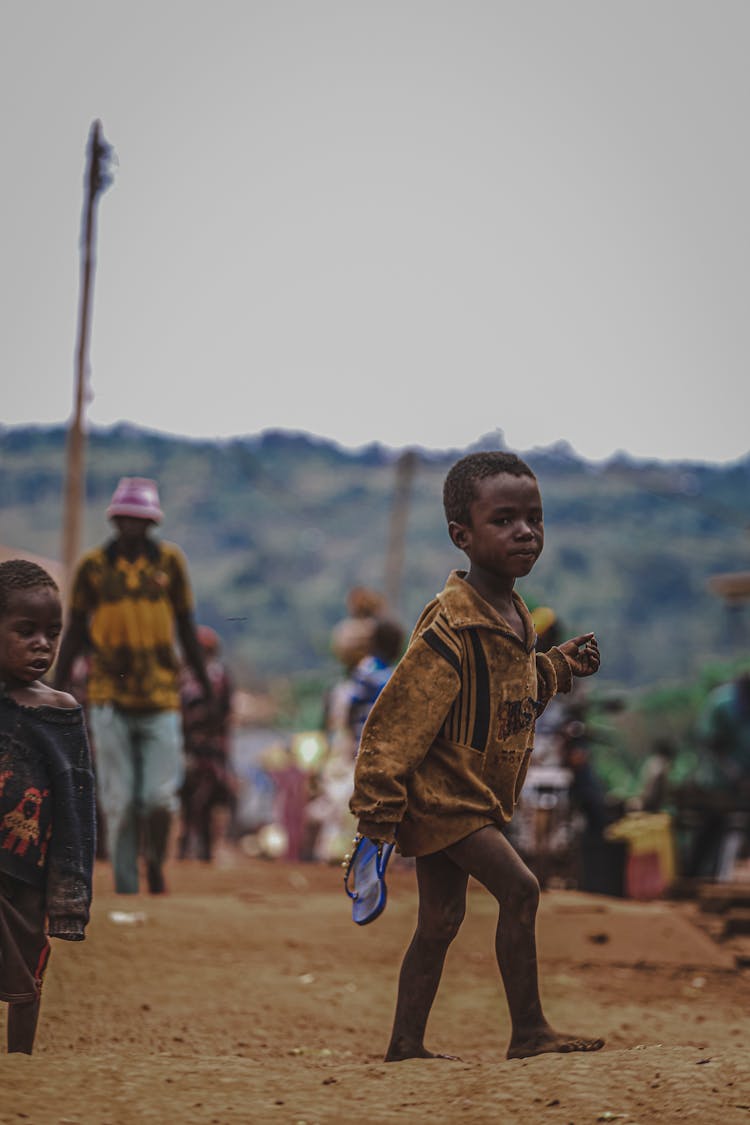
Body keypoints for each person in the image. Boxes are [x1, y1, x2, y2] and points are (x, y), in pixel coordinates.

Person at [350, 451, 604, 1061]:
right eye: (505, 520)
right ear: (462, 535)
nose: (525, 532)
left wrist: (560, 666)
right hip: (446, 799)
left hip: (474, 796)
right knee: (520, 890)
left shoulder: (514, 616)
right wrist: (375, 812)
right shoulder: (451, 626)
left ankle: (406, 1045)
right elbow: (398, 720)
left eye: (534, 519)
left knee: (439, 920)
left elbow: (512, 694)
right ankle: (529, 1033)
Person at [54, 477, 211, 895]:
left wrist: (205, 686)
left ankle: (156, 862)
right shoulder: (92, 567)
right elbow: (73, 631)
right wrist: (57, 686)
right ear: (115, 519)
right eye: (125, 519)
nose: (131, 527)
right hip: (108, 694)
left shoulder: (169, 563)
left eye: (140, 520)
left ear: (151, 523)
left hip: (162, 694)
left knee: (159, 799)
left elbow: (185, 626)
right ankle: (127, 886)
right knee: (119, 803)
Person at [0, 560, 95, 1053]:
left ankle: (21, 1057)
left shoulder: (59, 712)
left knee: (31, 960)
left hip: (29, 866)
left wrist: (70, 891)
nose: (42, 643)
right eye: (25, 631)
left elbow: (77, 806)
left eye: (52, 633)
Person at [177, 626, 235, 863]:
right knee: (193, 796)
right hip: (199, 746)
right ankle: (194, 845)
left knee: (202, 797)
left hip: (204, 746)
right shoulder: (189, 675)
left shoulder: (212, 675)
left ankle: (200, 846)